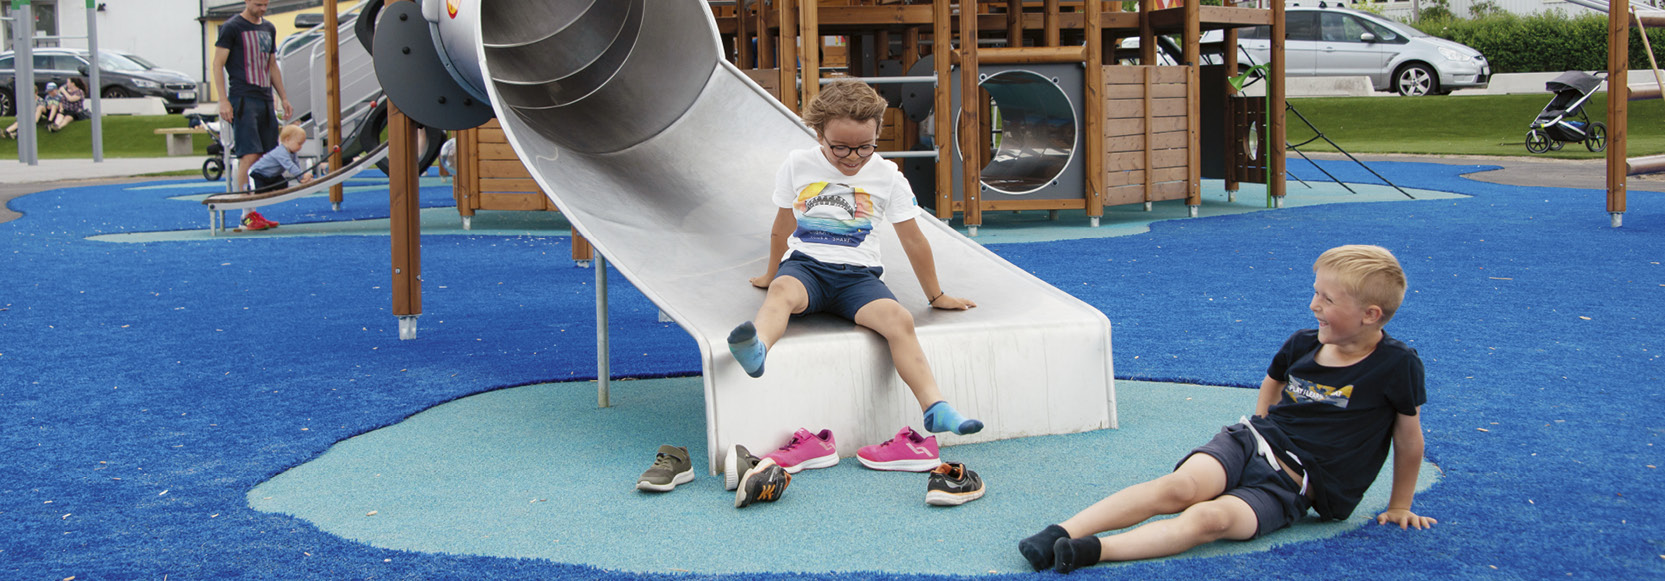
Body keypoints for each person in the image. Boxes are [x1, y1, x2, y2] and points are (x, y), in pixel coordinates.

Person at [1017, 244, 1435, 574]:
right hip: (1248, 444)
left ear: (1370, 315)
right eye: (1315, 293)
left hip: (1290, 487)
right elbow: (1274, 380)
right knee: (1178, 489)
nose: (1314, 305)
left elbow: (1408, 438)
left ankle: (1091, 550)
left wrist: (1399, 504)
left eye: (1327, 299)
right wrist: (1261, 419)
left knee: (1209, 520)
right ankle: (1060, 531)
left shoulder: (1396, 365)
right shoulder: (1304, 343)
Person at [725, 80, 982, 483]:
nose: (853, 157)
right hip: (807, 267)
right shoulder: (797, 163)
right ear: (819, 134)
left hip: (858, 279)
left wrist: (937, 294)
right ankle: (757, 348)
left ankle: (936, 406)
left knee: (898, 319)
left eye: (865, 146)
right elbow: (783, 224)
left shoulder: (888, 176)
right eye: (840, 147)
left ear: (877, 134)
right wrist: (773, 272)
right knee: (780, 294)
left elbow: (913, 239)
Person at [211, 0, 292, 196]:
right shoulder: (232, 27)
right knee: (249, 154)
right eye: (258, 4)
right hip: (243, 98)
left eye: (265, 5)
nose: (262, 9)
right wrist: (223, 100)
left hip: (264, 97)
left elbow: (272, 65)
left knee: (268, 154)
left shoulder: (268, 28)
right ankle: (246, 209)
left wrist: (283, 97)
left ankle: (261, 202)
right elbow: (217, 64)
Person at [247, 124, 314, 192]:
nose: (300, 147)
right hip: (259, 174)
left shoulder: (292, 152)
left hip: (273, 176)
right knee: (260, 190)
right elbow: (290, 166)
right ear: (287, 140)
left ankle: (270, 189)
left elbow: (296, 164)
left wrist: (300, 179)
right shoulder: (281, 152)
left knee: (283, 184)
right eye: (299, 144)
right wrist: (302, 176)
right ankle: (250, 188)